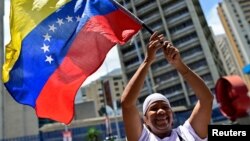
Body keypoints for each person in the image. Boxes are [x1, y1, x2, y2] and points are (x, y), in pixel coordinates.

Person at [121, 32, 214, 141]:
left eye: (165, 107)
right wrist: (147, 61)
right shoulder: (143, 138)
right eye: (154, 108)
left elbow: (206, 99)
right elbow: (127, 104)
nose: (161, 111)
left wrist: (179, 64)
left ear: (172, 115)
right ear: (145, 120)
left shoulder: (188, 134)